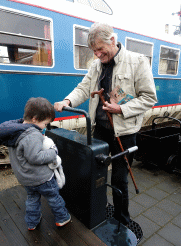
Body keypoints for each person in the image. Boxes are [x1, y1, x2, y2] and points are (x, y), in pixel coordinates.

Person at [54, 23, 157, 226]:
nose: (98, 55)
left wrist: (122, 109)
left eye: (101, 50)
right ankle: (95, 209)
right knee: (93, 172)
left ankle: (122, 221)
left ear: (112, 40)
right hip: (100, 129)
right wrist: (68, 101)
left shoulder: (137, 62)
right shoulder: (96, 65)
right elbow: (83, 88)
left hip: (124, 133)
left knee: (119, 179)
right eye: (94, 51)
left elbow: (150, 98)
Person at [0, 97, 71, 230]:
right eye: (45, 123)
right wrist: (53, 152)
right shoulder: (33, 134)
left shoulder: (14, 132)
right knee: (54, 198)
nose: (45, 127)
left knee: (32, 200)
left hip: (26, 179)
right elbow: (35, 157)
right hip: (42, 179)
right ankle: (62, 218)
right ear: (35, 119)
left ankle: (32, 223)